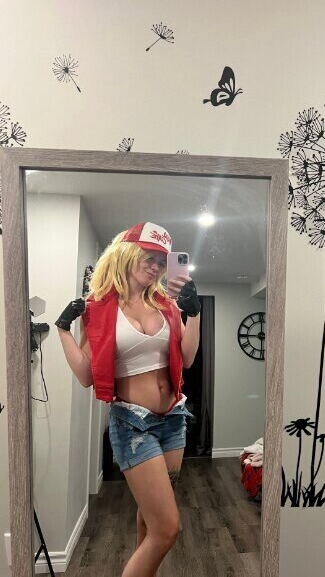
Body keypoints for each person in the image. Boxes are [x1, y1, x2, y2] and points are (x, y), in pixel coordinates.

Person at [55, 222, 201, 577]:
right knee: (167, 529)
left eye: (161, 262)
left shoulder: (166, 304)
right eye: (149, 257)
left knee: (151, 519)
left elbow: (188, 358)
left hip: (173, 420)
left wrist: (194, 313)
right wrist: (63, 330)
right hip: (134, 426)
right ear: (127, 253)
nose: (155, 266)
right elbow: (86, 375)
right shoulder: (98, 308)